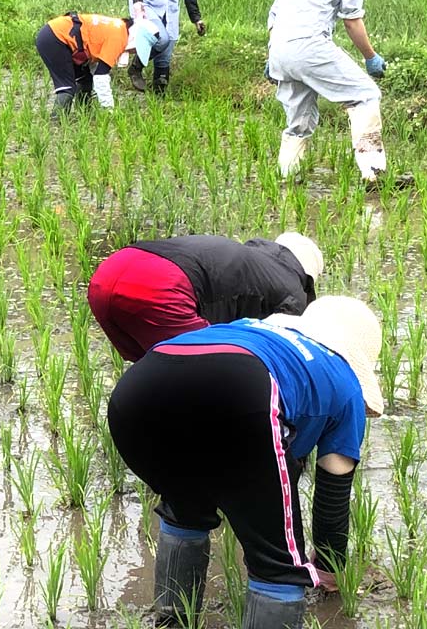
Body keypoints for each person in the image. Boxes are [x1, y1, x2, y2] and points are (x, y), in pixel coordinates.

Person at [107, 296, 384, 629]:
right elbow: (332, 494)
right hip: (243, 389)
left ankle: (173, 621)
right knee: (278, 563)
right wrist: (329, 568)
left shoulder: (254, 329)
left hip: (137, 393)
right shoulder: (346, 383)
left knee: (186, 505)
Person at [267, 0, 399, 189]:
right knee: (366, 95)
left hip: (280, 46)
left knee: (299, 120)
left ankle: (286, 179)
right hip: (309, 45)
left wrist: (273, 54)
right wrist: (370, 57)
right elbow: (352, 20)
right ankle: (374, 174)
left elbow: (275, 11)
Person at [88, 232, 322, 362]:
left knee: (151, 366)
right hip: (159, 288)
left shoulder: (251, 257)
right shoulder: (292, 294)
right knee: (200, 371)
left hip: (107, 273)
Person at [36, 12, 160, 118]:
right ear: (136, 38)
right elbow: (101, 76)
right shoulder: (119, 38)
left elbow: (94, 67)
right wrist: (109, 110)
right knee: (67, 87)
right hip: (55, 38)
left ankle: (84, 115)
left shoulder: (119, 27)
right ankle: (57, 123)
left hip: (54, 33)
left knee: (85, 79)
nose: (134, 52)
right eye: (137, 48)